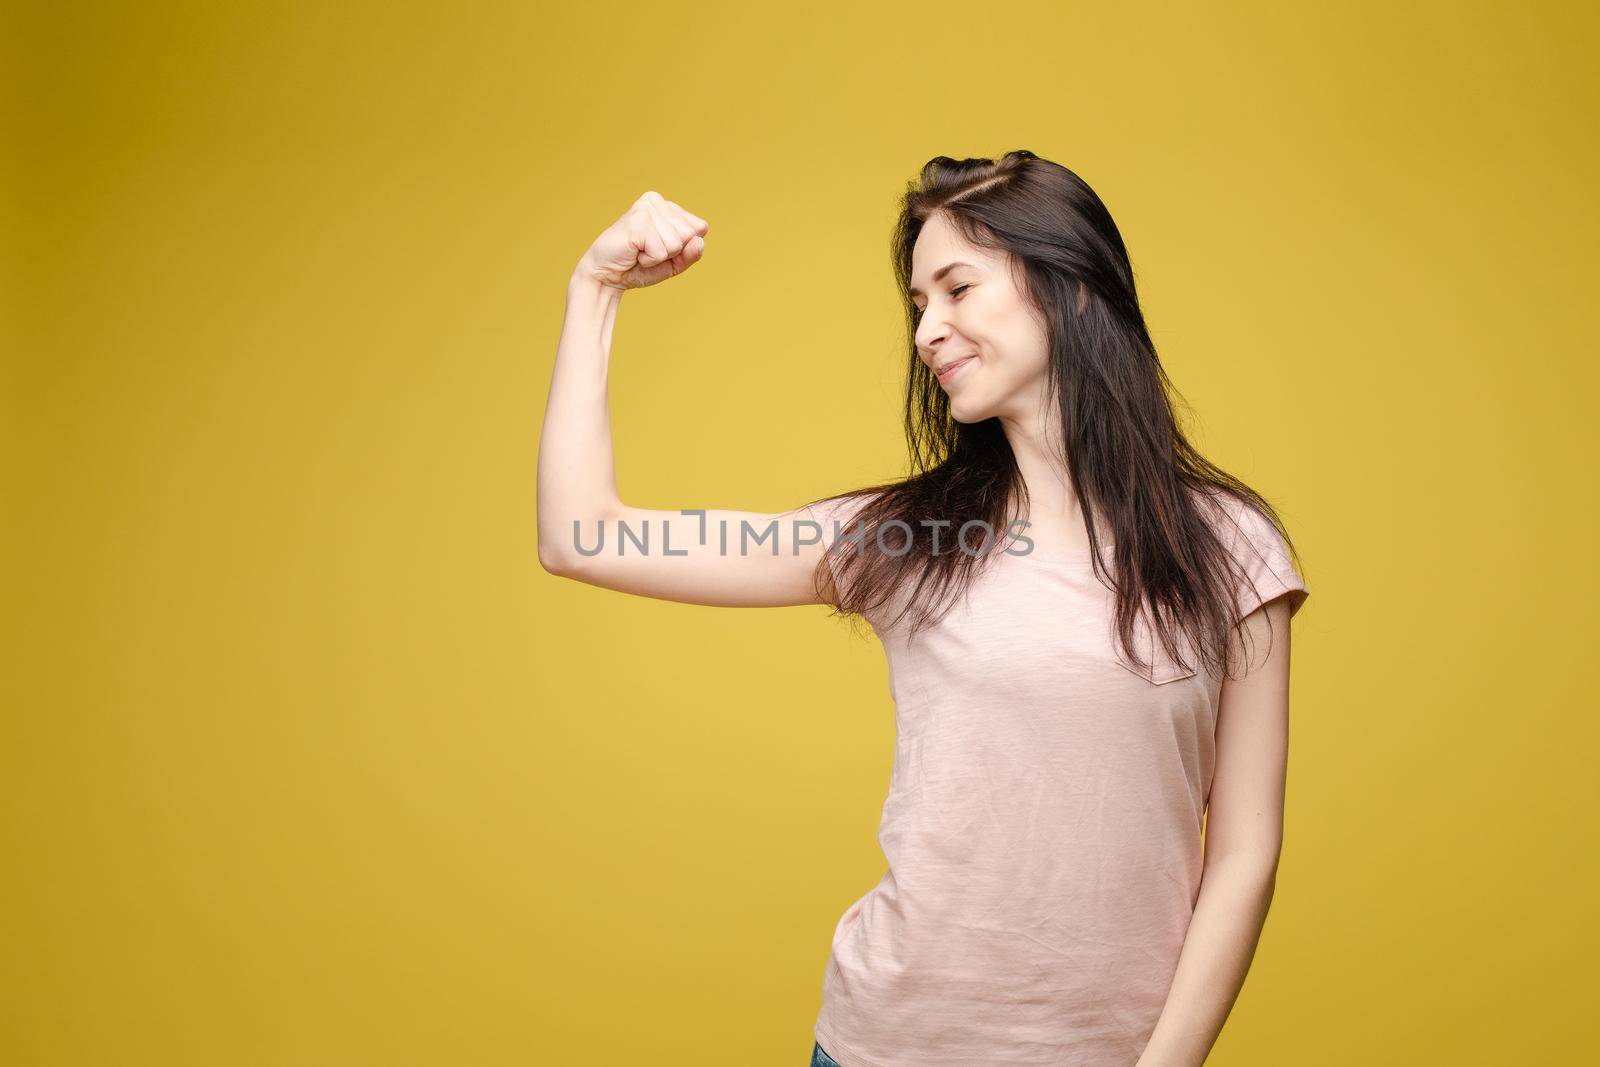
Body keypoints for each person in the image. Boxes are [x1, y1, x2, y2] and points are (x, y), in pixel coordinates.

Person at [537, 150, 1309, 1067]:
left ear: (1075, 289)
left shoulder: (1229, 545)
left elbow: (1245, 853)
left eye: (957, 288)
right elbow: (581, 536)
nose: (927, 331)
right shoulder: (905, 542)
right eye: (917, 305)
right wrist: (597, 288)